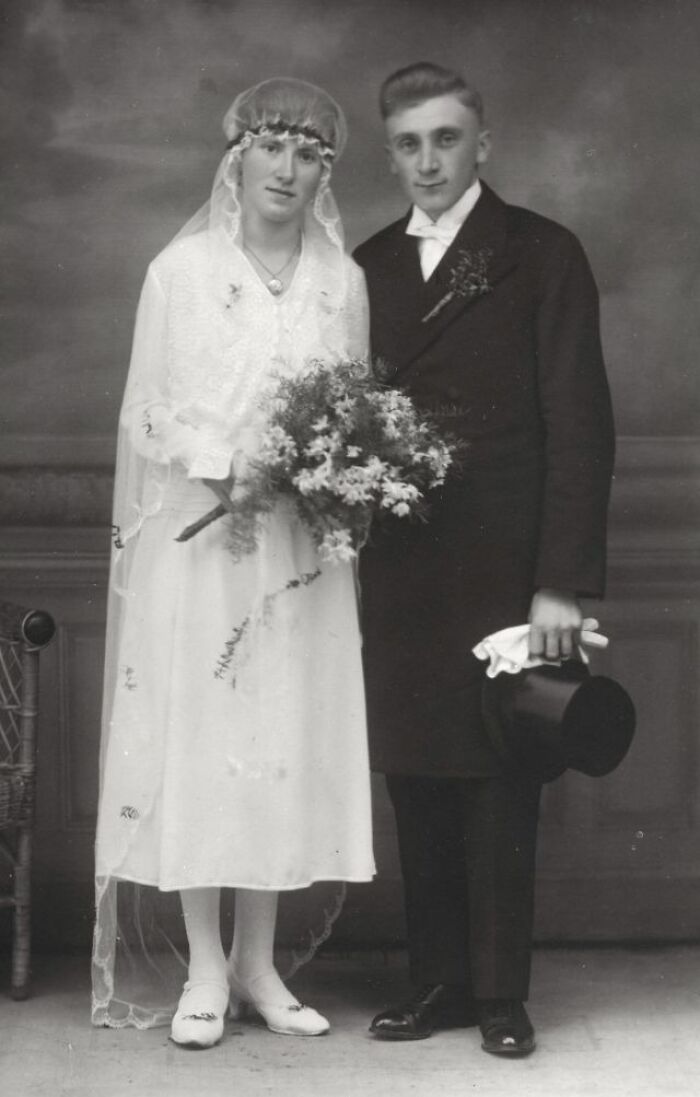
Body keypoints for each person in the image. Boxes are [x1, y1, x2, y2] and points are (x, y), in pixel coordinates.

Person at [92, 78, 374, 1048]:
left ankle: (260, 962)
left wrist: (317, 472)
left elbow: (353, 412)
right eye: (271, 147)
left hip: (296, 545)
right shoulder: (180, 271)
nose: (287, 170)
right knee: (206, 740)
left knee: (280, 737)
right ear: (238, 157)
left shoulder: (341, 281)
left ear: (324, 173)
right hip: (205, 541)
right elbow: (145, 410)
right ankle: (205, 967)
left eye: (309, 154)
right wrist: (225, 464)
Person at [354, 62, 615, 1057]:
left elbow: (578, 423)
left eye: (446, 139)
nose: (428, 161)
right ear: (391, 155)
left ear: (482, 143)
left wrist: (559, 580)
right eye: (409, 144)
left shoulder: (541, 252)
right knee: (418, 772)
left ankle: (502, 992)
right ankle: (438, 981)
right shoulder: (367, 264)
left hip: (507, 563)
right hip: (402, 565)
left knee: (500, 772)